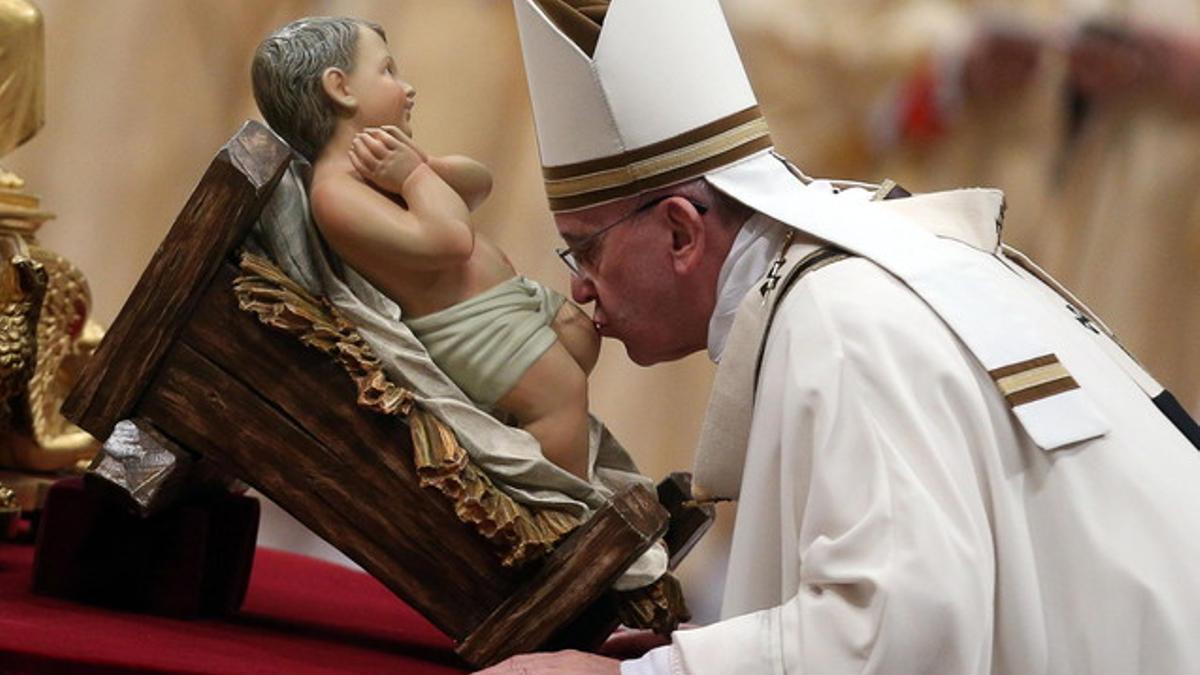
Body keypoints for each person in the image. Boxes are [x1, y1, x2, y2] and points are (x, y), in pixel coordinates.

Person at [478, 0, 1200, 673]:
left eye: (586, 248)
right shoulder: (851, 270)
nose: (577, 286)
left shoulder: (840, 318)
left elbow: (898, 630)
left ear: (680, 230)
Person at [251, 17, 599, 479]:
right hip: (471, 328)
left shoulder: (381, 164)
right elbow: (451, 242)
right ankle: (570, 510)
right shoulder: (336, 194)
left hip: (503, 307)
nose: (407, 87)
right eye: (388, 71)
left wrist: (423, 165)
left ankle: (552, 454)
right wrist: (413, 177)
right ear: (341, 88)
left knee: (579, 338)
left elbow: (477, 187)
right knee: (561, 398)